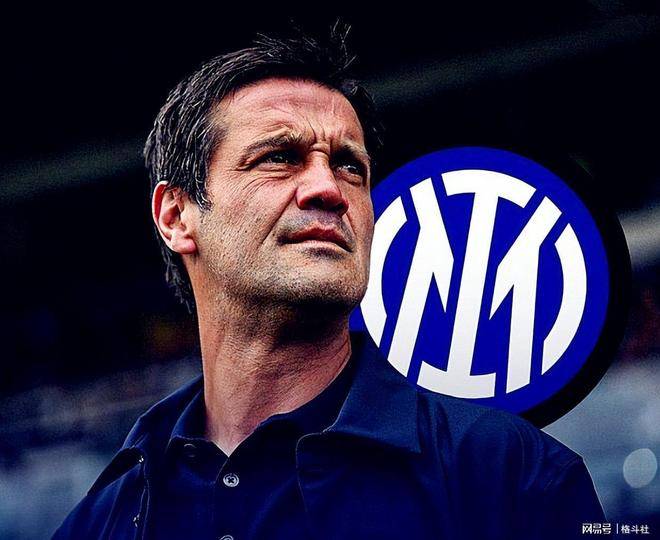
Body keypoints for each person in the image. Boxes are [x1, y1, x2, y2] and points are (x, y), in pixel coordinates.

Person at [52, 25, 605, 540]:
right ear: (176, 216)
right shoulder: (100, 521)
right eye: (279, 157)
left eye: (349, 167)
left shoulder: (513, 476)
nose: (329, 189)